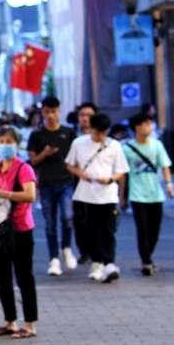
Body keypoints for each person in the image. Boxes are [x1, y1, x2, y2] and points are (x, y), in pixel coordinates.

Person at [0, 127, 39, 339]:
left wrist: (0, 192)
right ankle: (10, 321)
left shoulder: (24, 168)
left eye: (8, 141)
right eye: (1, 140)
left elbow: (30, 195)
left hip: (20, 228)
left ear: (16, 144)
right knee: (3, 278)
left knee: (24, 276)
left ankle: (30, 323)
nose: (4, 144)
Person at [66, 112, 128, 283]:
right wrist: (80, 173)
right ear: (90, 128)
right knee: (90, 232)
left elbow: (121, 170)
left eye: (103, 133)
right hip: (85, 196)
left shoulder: (114, 146)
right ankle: (97, 262)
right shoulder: (79, 143)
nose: (100, 136)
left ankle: (109, 264)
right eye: (96, 132)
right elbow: (69, 165)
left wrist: (110, 179)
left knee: (107, 231)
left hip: (107, 196)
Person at [27, 96, 79, 276]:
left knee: (67, 216)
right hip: (46, 184)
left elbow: (77, 158)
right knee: (50, 223)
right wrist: (45, 153)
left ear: (59, 112)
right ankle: (54, 259)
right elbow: (33, 161)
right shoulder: (36, 135)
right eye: (47, 111)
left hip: (66, 182)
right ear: (42, 112)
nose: (50, 115)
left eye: (53, 111)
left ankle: (66, 247)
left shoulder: (69, 133)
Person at [120, 113, 174, 276]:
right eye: (147, 124)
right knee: (142, 230)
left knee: (154, 230)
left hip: (156, 194)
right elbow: (123, 175)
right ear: (137, 127)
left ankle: (148, 256)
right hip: (137, 195)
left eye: (150, 124)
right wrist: (121, 197)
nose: (150, 127)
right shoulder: (126, 149)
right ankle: (146, 261)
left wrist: (169, 185)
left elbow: (165, 166)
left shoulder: (157, 145)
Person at [70, 102, 99, 264]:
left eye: (89, 115)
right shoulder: (73, 138)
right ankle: (85, 251)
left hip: (100, 186)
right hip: (78, 185)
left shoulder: (103, 138)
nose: (86, 118)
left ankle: (98, 250)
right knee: (80, 219)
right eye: (82, 115)